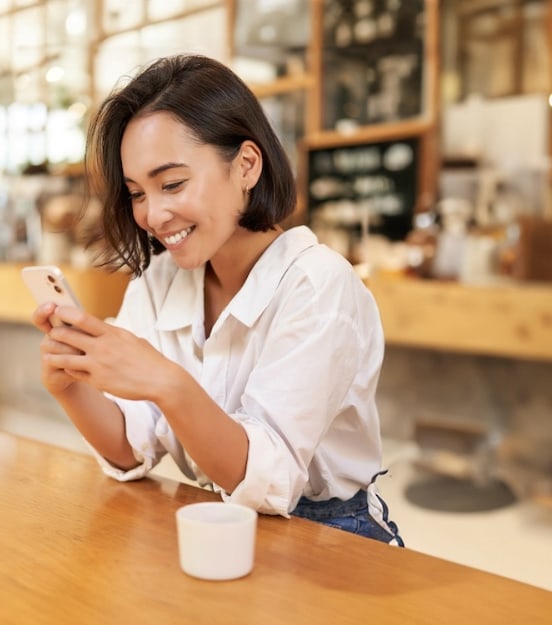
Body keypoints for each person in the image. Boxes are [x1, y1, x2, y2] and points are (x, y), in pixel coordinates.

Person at [30, 54, 403, 546]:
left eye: (172, 184)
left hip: (332, 535)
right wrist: (70, 387)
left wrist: (166, 383)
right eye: (137, 193)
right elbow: (129, 448)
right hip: (224, 519)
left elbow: (270, 479)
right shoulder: (159, 282)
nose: (153, 215)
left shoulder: (317, 285)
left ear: (246, 165)